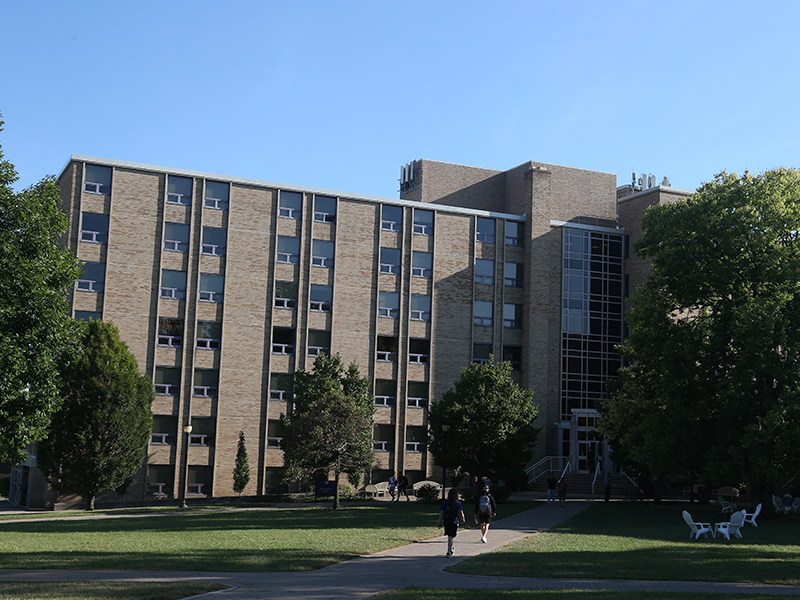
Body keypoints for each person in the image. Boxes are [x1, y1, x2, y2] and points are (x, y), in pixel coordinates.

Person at [438, 488, 465, 557]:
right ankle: (449, 550)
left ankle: (450, 549)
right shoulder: (458, 503)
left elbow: (441, 513)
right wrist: (463, 518)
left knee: (449, 536)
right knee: (451, 536)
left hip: (446, 521)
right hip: (454, 522)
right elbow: (461, 513)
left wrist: (439, 522)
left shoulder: (445, 503)